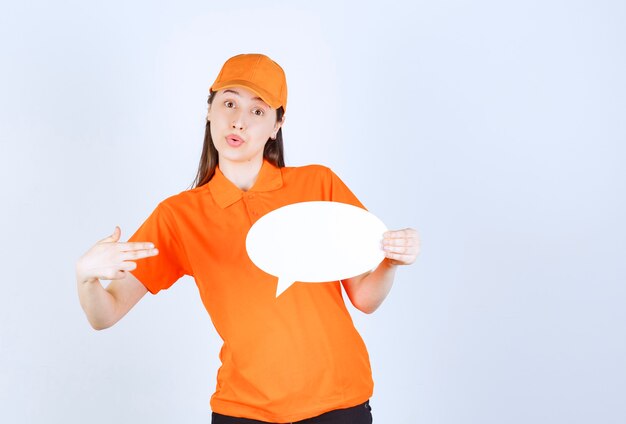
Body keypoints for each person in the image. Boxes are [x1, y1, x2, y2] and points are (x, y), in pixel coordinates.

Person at [76, 53, 420, 424]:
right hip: (244, 411)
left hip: (339, 402)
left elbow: (365, 299)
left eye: (258, 111)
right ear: (209, 111)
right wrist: (86, 277)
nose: (238, 121)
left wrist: (391, 262)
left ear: (277, 125)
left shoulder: (319, 184)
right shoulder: (178, 216)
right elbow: (105, 315)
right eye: (229, 103)